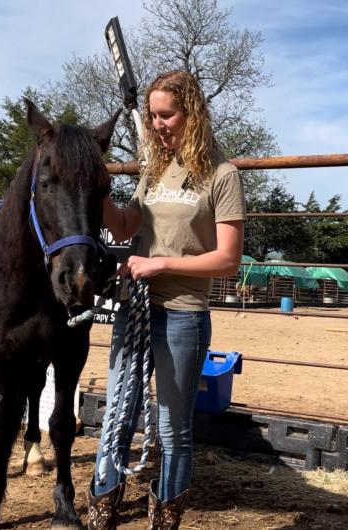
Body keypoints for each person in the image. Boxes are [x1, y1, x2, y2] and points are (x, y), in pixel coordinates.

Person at [88, 70, 246, 530]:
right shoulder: (153, 170)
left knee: (174, 429)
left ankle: (166, 519)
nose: (158, 124)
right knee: (118, 413)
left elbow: (228, 260)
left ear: (191, 112)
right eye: (153, 115)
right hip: (135, 309)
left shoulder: (222, 175)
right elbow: (122, 226)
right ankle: (101, 510)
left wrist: (161, 265)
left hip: (182, 315)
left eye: (167, 114)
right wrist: (96, 183)